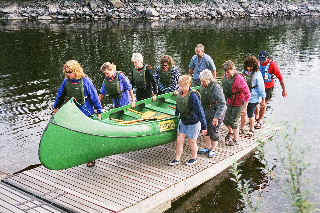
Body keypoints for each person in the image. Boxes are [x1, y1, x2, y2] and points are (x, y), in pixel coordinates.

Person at [53, 59, 103, 168]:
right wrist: (56, 107)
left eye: (70, 72)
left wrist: (99, 110)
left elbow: (94, 96)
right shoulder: (66, 82)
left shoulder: (85, 81)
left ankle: (91, 158)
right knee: (77, 134)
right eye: (66, 72)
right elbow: (60, 95)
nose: (68, 74)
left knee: (87, 136)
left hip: (86, 112)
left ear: (76, 70)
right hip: (74, 112)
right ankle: (79, 155)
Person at [169, 75, 207, 166]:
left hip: (193, 122)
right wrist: (176, 115)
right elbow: (178, 106)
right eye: (180, 86)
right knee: (179, 140)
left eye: (184, 86)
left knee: (192, 141)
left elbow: (200, 110)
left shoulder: (193, 96)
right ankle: (177, 159)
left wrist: (204, 126)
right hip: (183, 121)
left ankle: (194, 158)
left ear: (189, 84)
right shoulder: (180, 94)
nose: (182, 88)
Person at [197, 69, 226, 158]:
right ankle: (208, 148)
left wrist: (216, 117)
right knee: (205, 130)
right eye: (201, 81)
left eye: (204, 81)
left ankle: (213, 149)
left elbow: (222, 103)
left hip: (216, 111)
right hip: (206, 110)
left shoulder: (216, 88)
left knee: (213, 131)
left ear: (209, 79)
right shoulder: (202, 86)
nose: (202, 83)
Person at [255, 50, 288, 129]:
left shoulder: (272, 65)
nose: (262, 61)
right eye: (260, 58)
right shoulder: (257, 63)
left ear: (267, 58)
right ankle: (256, 116)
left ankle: (260, 120)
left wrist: (284, 90)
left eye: (263, 59)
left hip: (268, 87)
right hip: (257, 86)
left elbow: (280, 78)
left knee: (263, 103)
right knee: (255, 102)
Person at [222, 60, 251, 146]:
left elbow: (248, 94)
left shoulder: (239, 79)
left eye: (228, 72)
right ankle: (230, 132)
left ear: (233, 69)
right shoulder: (227, 77)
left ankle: (236, 139)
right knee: (226, 120)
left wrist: (244, 107)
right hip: (230, 101)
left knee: (234, 121)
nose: (226, 73)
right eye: (225, 72)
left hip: (238, 103)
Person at [240, 56, 266, 137]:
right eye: (248, 66)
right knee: (243, 113)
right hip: (243, 97)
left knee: (251, 114)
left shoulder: (257, 74)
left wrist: (263, 99)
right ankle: (242, 127)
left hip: (253, 98)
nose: (249, 68)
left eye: (251, 66)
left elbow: (261, 87)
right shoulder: (243, 72)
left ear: (254, 66)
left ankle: (251, 129)